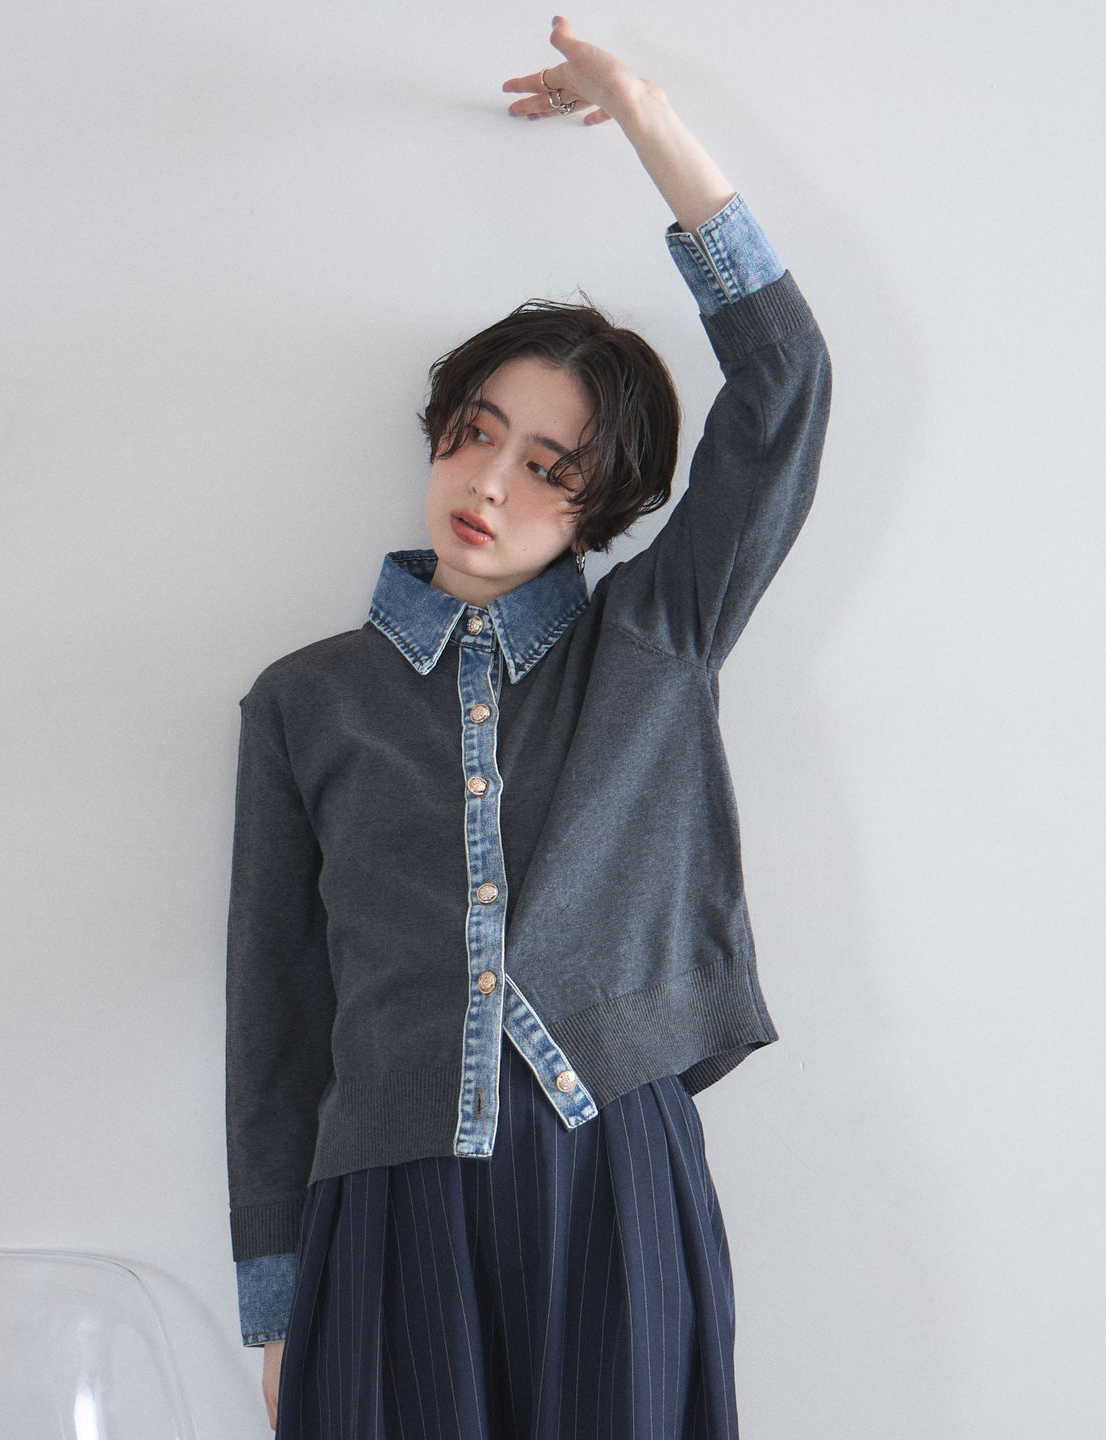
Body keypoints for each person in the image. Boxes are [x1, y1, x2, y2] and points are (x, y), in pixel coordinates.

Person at [224, 15, 832, 1437]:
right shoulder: (305, 703)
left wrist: (644, 116)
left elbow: (787, 387)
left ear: (605, 508)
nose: (491, 483)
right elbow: (277, 1018)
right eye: (478, 431)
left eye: (552, 468)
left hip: (614, 1172)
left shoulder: (654, 640)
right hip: (383, 1200)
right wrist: (276, 1293)